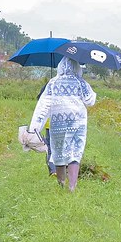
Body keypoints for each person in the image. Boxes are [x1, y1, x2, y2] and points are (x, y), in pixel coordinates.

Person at [28, 56, 96, 192]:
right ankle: (72, 186)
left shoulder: (52, 83)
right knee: (75, 152)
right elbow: (90, 101)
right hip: (78, 121)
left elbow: (43, 105)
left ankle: (61, 183)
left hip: (57, 122)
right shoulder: (80, 82)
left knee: (58, 152)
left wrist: (34, 128)